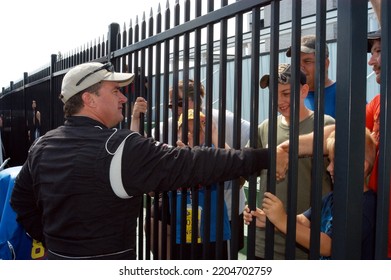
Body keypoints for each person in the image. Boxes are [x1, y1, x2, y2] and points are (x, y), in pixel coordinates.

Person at [9, 61, 276, 260]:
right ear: (88, 99)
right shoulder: (119, 147)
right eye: (115, 91)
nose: (124, 97)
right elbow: (191, 164)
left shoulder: (42, 145)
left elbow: (20, 201)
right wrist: (266, 157)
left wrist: (52, 240)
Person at [276, 28, 391, 259]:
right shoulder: (378, 104)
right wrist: (285, 147)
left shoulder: (346, 96)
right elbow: (340, 132)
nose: (371, 60)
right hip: (356, 223)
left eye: (378, 51)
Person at [132, 79, 250, 257]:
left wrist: (217, 139)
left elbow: (248, 154)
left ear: (197, 100)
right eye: (172, 106)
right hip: (183, 210)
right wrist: (136, 119)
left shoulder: (224, 120)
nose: (176, 109)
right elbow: (142, 151)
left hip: (223, 210)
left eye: (180, 103)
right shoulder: (167, 128)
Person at [244, 128, 377, 259]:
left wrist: (282, 221)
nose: (329, 168)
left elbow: (329, 246)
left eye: (336, 162)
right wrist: (271, 221)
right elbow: (303, 221)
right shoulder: (332, 197)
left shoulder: (366, 205)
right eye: (330, 161)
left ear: (361, 166)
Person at [248, 63, 334, 259]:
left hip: (306, 242)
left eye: (286, 93)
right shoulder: (264, 127)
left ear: (304, 90)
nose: (279, 101)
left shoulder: (325, 124)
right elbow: (246, 169)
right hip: (265, 239)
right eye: (274, 94)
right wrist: (251, 206)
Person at [170, 109, 231, 259]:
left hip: (214, 234)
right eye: (185, 129)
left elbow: (231, 162)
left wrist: (215, 132)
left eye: (197, 129)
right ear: (178, 133)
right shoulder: (172, 155)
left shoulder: (210, 152)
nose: (191, 134)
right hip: (182, 234)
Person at [286, 35, 336, 118]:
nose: (300, 67)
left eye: (307, 61)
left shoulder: (346, 96)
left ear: (325, 64)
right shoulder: (292, 97)